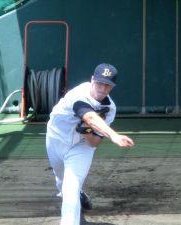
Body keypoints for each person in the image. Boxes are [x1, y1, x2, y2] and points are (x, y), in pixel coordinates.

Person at [46, 63, 134, 225]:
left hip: (81, 147)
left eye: (107, 85)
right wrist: (113, 135)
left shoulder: (109, 109)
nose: (102, 88)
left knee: (70, 187)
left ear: (112, 87)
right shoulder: (79, 94)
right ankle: (78, 192)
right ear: (92, 79)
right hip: (56, 138)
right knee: (61, 180)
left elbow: (93, 143)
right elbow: (89, 117)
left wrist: (87, 131)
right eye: (99, 82)